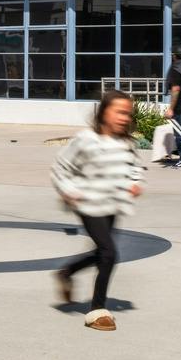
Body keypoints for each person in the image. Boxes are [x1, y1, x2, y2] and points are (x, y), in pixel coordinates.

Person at [52, 90, 144, 332]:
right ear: (104, 113)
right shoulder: (85, 139)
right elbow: (61, 167)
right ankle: (97, 310)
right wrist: (68, 189)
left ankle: (67, 271)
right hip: (88, 203)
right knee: (109, 253)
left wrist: (135, 182)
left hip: (113, 204)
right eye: (119, 112)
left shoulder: (127, 143)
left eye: (128, 113)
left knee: (102, 253)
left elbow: (136, 168)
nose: (125, 117)